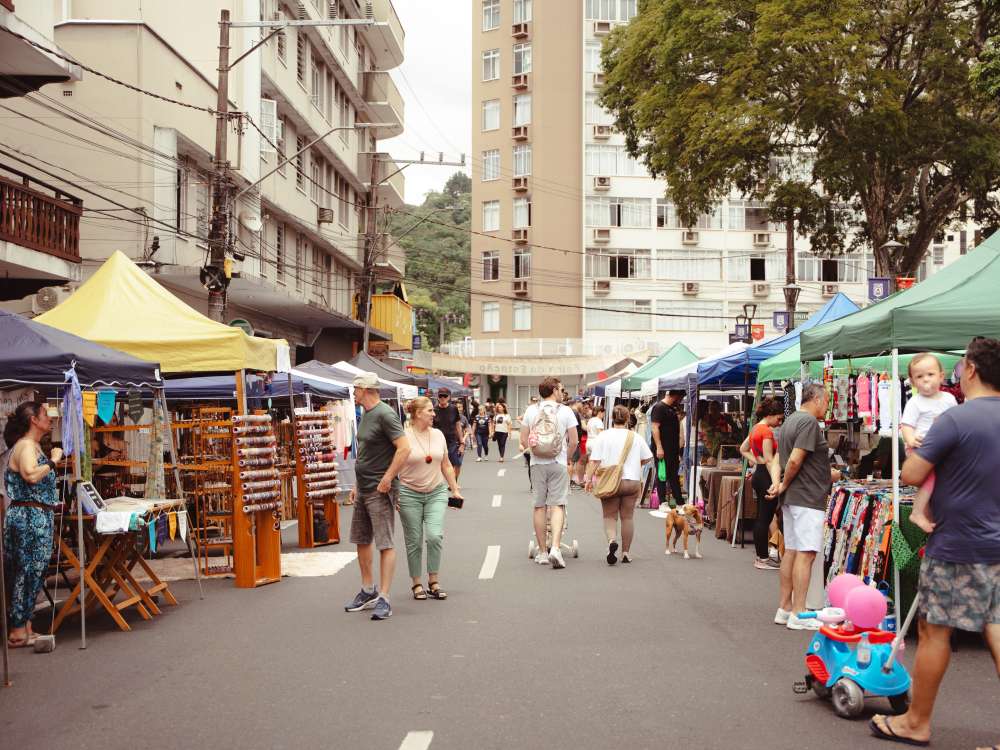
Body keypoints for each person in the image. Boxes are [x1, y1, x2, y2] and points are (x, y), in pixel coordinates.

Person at [869, 337, 1000, 748]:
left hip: (960, 541)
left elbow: (911, 473)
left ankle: (916, 722)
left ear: (971, 370)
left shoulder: (956, 419)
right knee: (996, 627)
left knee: (934, 630)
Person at [770, 383, 841, 631]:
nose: (827, 406)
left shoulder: (790, 421)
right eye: (827, 401)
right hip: (806, 498)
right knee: (806, 553)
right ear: (818, 399)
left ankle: (785, 607)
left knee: (792, 550)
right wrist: (782, 483)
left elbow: (782, 459)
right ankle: (799, 612)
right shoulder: (809, 423)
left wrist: (780, 484)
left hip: (794, 496)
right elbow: (795, 459)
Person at [344, 373, 410, 621]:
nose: (353, 392)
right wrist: (355, 484)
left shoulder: (385, 414)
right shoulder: (366, 415)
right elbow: (366, 453)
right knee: (361, 539)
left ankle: (384, 597)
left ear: (366, 389)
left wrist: (388, 478)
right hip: (363, 487)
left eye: (355, 388)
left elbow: (404, 448)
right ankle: (367, 590)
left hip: (380, 489)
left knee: (385, 543)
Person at [3, 400, 62, 648]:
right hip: (28, 517)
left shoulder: (32, 445)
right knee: (25, 572)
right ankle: (17, 629)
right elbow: (29, 474)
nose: (49, 418)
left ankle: (25, 625)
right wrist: (53, 462)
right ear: (33, 420)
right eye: (44, 414)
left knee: (33, 572)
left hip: (36, 516)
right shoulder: (26, 446)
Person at [397, 397, 462, 602]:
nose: (434, 414)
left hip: (436, 492)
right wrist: (395, 492)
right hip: (409, 493)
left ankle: (433, 581)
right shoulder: (403, 437)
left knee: (434, 536)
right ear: (417, 414)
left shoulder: (438, 435)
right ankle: (416, 583)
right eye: (430, 411)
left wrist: (455, 489)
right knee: (414, 541)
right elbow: (394, 466)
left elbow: (446, 465)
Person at [520, 377, 578, 568]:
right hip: (558, 462)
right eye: (561, 389)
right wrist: (566, 457)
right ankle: (555, 548)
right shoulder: (566, 411)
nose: (562, 392)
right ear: (554, 390)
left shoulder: (531, 410)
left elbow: (523, 439)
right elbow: (574, 441)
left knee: (539, 506)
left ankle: (543, 552)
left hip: (537, 463)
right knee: (557, 505)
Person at [584, 404, 653, 565]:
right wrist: (635, 464)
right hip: (632, 481)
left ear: (611, 419)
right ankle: (626, 553)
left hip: (610, 482)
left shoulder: (604, 436)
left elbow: (595, 461)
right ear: (628, 418)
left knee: (609, 516)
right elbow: (648, 457)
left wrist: (588, 479)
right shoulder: (635, 436)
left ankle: (612, 542)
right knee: (628, 517)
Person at [900, 353, 957, 533]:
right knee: (930, 478)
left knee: (940, 480)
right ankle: (917, 512)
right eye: (919, 376)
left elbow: (957, 420)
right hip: (921, 447)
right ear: (912, 381)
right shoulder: (915, 402)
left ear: (941, 375)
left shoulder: (949, 399)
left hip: (943, 448)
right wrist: (910, 439)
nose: (926, 379)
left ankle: (933, 516)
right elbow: (906, 425)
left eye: (930, 374)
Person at [739, 397, 784, 570]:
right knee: (764, 518)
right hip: (765, 475)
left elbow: (743, 449)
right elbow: (770, 460)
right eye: (778, 418)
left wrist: (756, 460)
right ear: (770, 414)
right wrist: (775, 483)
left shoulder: (756, 428)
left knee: (762, 517)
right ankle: (762, 558)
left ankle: (762, 557)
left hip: (759, 474)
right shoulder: (766, 432)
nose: (779, 422)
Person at [650, 389, 685, 508]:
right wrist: (659, 447)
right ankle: (663, 502)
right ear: (675, 396)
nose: (680, 401)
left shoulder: (672, 409)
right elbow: (655, 428)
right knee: (662, 474)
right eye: (680, 398)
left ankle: (679, 502)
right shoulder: (659, 407)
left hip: (672, 449)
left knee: (673, 475)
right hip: (662, 448)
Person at [433, 388, 464, 481]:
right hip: (437, 442)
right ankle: (440, 483)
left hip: (452, 441)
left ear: (449, 397)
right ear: (437, 397)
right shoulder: (434, 410)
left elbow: (458, 425)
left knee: (457, 463)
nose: (442, 398)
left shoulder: (453, 409)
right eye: (440, 396)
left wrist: (462, 442)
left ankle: (454, 481)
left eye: (445, 396)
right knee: (439, 464)